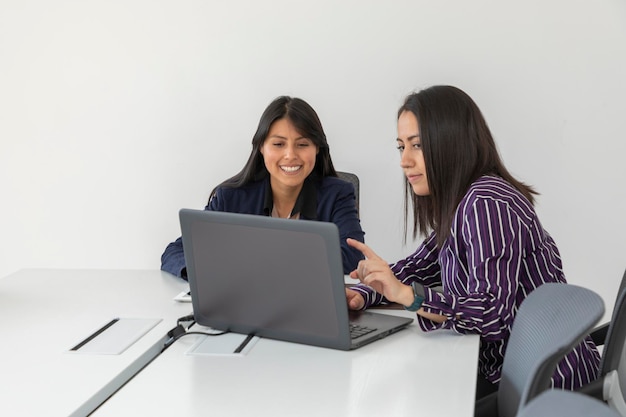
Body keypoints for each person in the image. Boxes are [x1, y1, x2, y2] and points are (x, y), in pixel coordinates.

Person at [345, 85, 600, 399]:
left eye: (418, 145)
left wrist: (409, 297)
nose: (405, 161)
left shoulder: (486, 202)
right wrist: (360, 291)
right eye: (401, 147)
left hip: (545, 388)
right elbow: (415, 268)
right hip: (511, 376)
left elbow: (491, 313)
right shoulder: (461, 204)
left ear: (450, 143)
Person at [161, 96, 365, 279]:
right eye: (278, 144)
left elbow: (352, 258)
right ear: (261, 147)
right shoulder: (231, 197)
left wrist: (259, 263)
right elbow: (175, 252)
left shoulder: (338, 194)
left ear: (317, 149)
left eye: (302, 145)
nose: (290, 155)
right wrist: (204, 275)